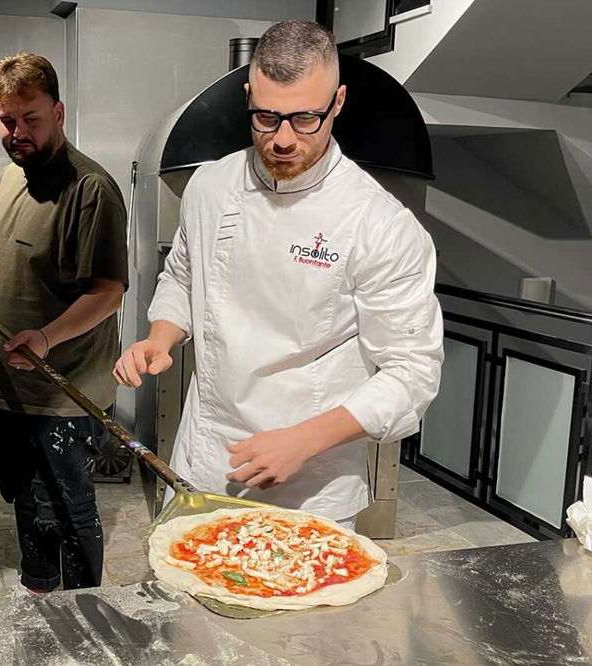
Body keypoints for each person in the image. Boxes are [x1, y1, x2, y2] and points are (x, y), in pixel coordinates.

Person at [114, 21, 443, 530]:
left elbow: (412, 373)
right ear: (248, 97)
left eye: (305, 118)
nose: (284, 139)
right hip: (206, 461)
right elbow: (183, 275)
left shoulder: (379, 224)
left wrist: (305, 440)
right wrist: (162, 336)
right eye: (267, 117)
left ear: (337, 103)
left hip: (310, 487)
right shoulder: (209, 186)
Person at [0, 53, 128, 591]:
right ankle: (40, 592)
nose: (17, 132)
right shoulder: (9, 176)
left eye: (32, 118)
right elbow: (2, 243)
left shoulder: (90, 189)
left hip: (62, 390)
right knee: (24, 496)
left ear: (59, 112)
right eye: (7, 119)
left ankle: (83, 617)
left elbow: (109, 292)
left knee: (68, 512)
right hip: (11, 382)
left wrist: (47, 337)